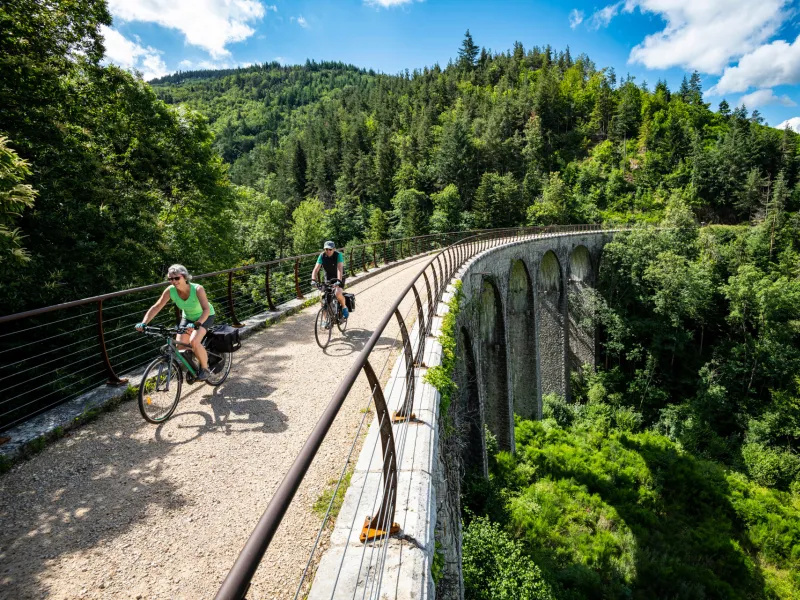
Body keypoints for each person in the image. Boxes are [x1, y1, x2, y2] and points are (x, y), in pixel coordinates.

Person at [135, 264, 216, 381]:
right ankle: (194, 366)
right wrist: (144, 322)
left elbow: (206, 309)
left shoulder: (198, 289)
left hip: (205, 316)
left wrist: (197, 324)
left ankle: (205, 368)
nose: (173, 281)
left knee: (194, 341)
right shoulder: (170, 290)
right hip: (188, 318)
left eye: (176, 278)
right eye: (170, 279)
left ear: (184, 277)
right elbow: (157, 306)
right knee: (180, 346)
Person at [311, 240, 349, 319]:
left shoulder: (338, 255)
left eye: (330, 249)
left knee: (338, 293)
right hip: (328, 278)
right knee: (323, 298)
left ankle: (344, 307)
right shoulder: (322, 256)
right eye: (326, 249)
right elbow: (316, 269)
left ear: (334, 249)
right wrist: (313, 280)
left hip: (339, 276)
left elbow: (339, 269)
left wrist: (338, 281)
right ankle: (325, 320)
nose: (328, 251)